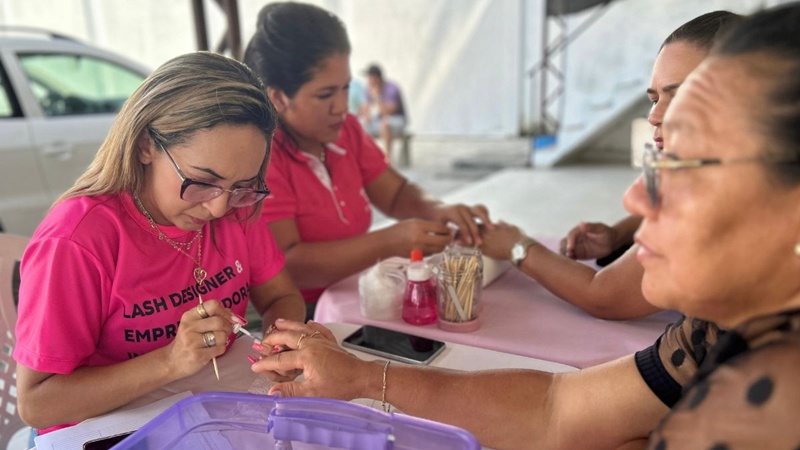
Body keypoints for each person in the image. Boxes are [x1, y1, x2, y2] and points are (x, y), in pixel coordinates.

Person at [250, 3, 800, 448]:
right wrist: (365, 378)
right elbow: (555, 408)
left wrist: (506, 246)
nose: (636, 198)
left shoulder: (770, 397)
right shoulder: (712, 331)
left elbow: (600, 303)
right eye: (656, 113)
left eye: (683, 161)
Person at [13, 52, 306, 433]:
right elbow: (37, 404)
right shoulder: (78, 240)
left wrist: (279, 342)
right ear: (145, 146)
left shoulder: (237, 209)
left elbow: (282, 296)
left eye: (243, 187)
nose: (218, 208)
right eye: (202, 181)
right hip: (103, 433)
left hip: (207, 412)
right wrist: (170, 361)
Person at [477, 10, 740, 320]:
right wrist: (620, 235)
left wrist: (516, 246)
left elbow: (606, 296)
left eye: (679, 95)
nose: (654, 115)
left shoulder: (730, 196)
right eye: (655, 98)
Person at [243, 2, 490, 318]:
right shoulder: (261, 159)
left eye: (346, 88)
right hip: (295, 310)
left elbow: (396, 192)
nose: (342, 106)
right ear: (278, 97)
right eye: (325, 95)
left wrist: (436, 210)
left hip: (352, 290)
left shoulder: (346, 131)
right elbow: (290, 265)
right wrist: (392, 241)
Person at [358, 63, 408, 158]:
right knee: (359, 127)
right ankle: (367, 158)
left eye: (369, 77)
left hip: (397, 119)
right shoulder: (369, 88)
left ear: (376, 78)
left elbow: (388, 111)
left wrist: (377, 97)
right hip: (380, 120)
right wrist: (366, 115)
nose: (368, 80)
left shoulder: (392, 88)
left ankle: (387, 158)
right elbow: (364, 108)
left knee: (385, 124)